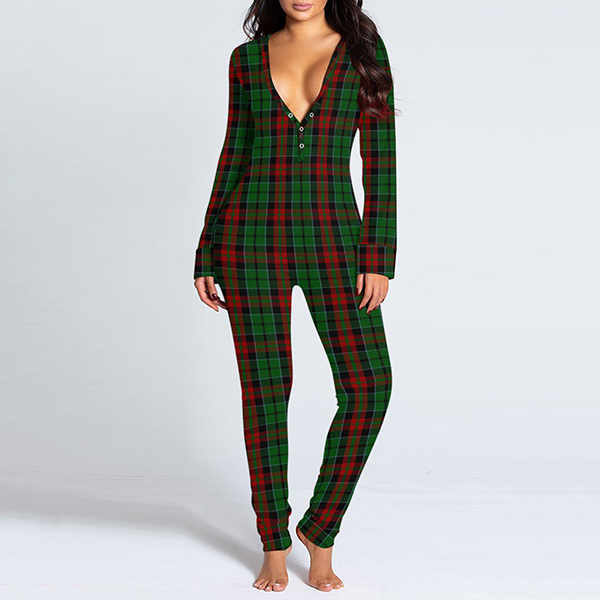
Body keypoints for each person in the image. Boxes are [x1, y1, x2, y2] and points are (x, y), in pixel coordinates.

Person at [193, 0, 397, 592]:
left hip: (335, 239)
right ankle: (273, 543)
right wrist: (207, 249)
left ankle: (320, 529)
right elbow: (234, 152)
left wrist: (378, 255)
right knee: (265, 392)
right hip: (249, 238)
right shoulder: (246, 59)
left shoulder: (363, 53)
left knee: (369, 386)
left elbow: (380, 159)